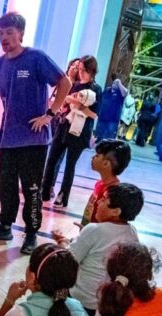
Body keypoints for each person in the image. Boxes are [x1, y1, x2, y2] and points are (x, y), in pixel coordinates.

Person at [0, 12, 72, 255]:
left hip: (33, 139)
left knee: (31, 189)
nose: (4, 37)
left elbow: (65, 83)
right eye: (1, 33)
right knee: (6, 186)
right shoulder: (1, 64)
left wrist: (49, 115)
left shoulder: (36, 58)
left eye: (9, 32)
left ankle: (31, 233)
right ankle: (5, 225)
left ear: (20, 34)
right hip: (8, 138)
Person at [52, 183, 143, 316]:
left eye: (104, 199)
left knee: (53, 271)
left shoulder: (94, 229)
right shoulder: (132, 232)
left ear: (116, 211)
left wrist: (63, 242)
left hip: (81, 300)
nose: (99, 202)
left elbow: (68, 260)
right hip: (106, 303)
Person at [40, 55, 102, 209]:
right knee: (52, 159)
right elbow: (62, 103)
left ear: (91, 71)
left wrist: (77, 104)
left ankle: (63, 196)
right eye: (79, 69)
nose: (80, 72)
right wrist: (64, 104)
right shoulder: (73, 85)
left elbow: (94, 114)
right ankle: (45, 191)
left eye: (83, 70)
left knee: (70, 165)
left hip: (80, 132)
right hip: (63, 126)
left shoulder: (96, 89)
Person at [46, 58, 81, 197]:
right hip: (52, 117)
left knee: (57, 155)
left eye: (77, 67)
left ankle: (50, 185)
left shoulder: (78, 86)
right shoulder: (60, 80)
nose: (73, 67)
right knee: (43, 151)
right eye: (73, 64)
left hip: (64, 121)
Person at [81, 139, 132, 226]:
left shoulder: (112, 191)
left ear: (105, 164)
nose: (92, 157)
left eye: (97, 156)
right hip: (87, 231)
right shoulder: (99, 183)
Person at [95, 75, 129, 141]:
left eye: (117, 84)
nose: (115, 84)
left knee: (109, 138)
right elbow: (100, 100)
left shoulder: (120, 93)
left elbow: (125, 93)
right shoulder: (107, 90)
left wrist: (119, 83)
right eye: (114, 83)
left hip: (113, 120)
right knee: (98, 136)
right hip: (102, 117)